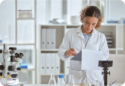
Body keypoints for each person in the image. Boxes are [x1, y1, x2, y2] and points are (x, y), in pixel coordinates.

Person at [58, 6, 109, 85]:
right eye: (87, 22)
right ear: (82, 18)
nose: (89, 27)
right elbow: (60, 53)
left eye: (93, 24)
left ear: (98, 22)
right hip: (76, 79)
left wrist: (90, 56)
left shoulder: (101, 37)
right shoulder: (70, 34)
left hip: (95, 80)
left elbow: (105, 56)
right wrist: (66, 53)